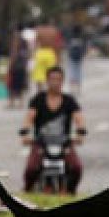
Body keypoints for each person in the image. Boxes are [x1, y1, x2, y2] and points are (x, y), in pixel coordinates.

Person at [20, 66, 86, 194]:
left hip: (64, 142)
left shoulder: (69, 100)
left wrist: (80, 133)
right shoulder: (38, 99)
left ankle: (70, 191)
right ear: (47, 80)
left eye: (58, 79)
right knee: (31, 169)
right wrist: (25, 133)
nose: (55, 82)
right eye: (52, 79)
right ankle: (27, 190)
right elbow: (29, 117)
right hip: (41, 142)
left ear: (63, 81)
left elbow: (79, 118)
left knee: (76, 167)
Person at [5, 30, 29, 110]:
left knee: (13, 86)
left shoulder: (15, 47)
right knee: (18, 86)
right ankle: (19, 103)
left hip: (16, 68)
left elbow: (13, 58)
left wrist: (9, 66)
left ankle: (13, 102)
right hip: (21, 68)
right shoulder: (23, 47)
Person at [65, 23, 88, 95]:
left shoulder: (70, 38)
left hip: (72, 57)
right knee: (79, 72)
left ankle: (71, 89)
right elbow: (84, 48)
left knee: (71, 72)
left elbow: (68, 47)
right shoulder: (82, 38)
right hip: (79, 57)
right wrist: (84, 55)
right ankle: (79, 89)